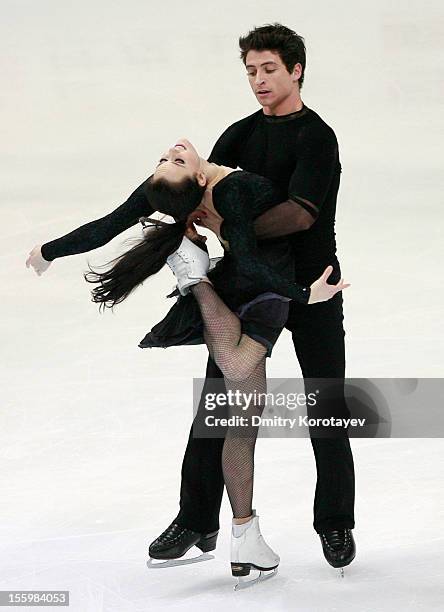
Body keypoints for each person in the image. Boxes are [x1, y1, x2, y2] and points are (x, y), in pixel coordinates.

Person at [26, 22, 356, 573]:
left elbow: (300, 213)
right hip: (247, 286)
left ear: (296, 69)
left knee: (325, 406)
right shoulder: (238, 135)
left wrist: (227, 222)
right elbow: (175, 199)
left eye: (269, 69)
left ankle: (336, 523)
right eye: (250, 70)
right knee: (218, 408)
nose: (258, 80)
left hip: (312, 282)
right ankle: (196, 520)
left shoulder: (316, 137)